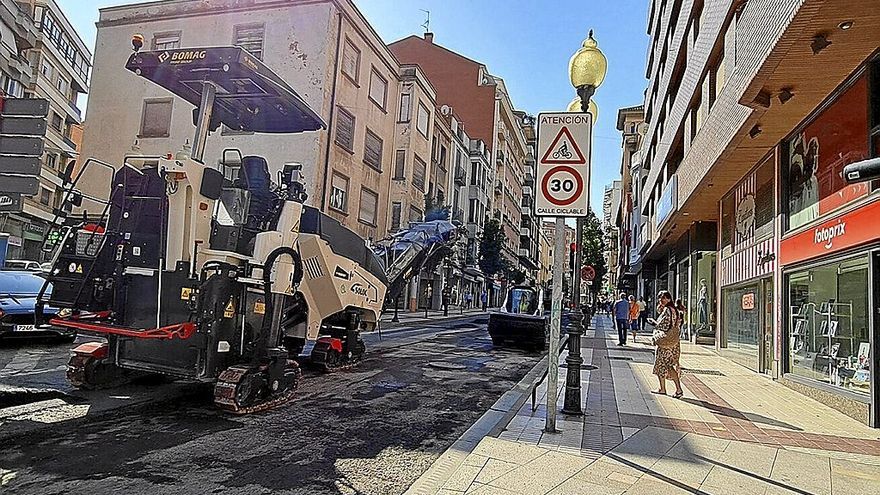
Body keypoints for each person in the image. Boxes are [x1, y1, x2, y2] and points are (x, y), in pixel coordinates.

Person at [652, 290, 683, 398]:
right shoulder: (675, 310)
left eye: (664, 298)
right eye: (660, 298)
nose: (662, 300)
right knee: (668, 364)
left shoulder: (667, 310)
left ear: (669, 299)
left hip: (665, 342)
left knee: (663, 364)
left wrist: (654, 324)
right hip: (674, 341)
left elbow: (662, 325)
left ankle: (666, 389)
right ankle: (673, 388)